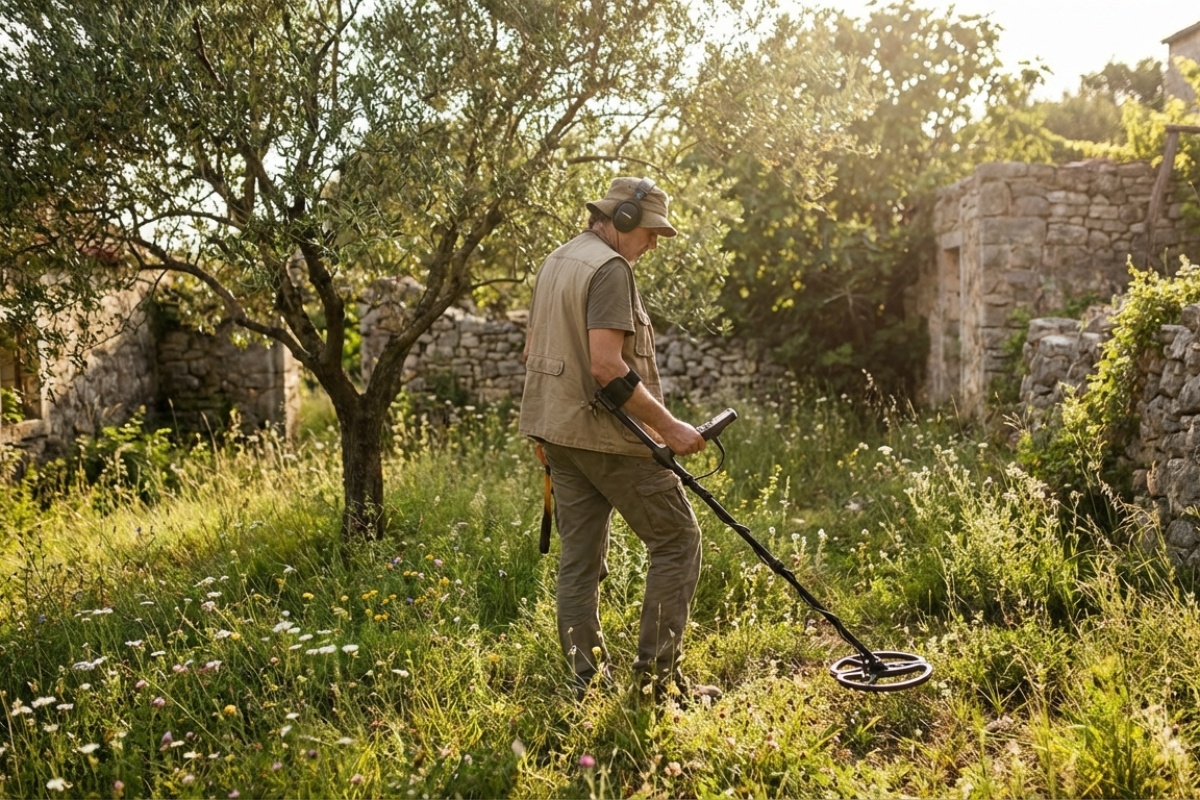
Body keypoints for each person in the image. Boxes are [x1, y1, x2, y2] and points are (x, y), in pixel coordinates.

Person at [519, 176, 721, 704]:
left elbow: (534, 353)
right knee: (677, 541)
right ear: (622, 220)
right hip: (608, 439)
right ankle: (656, 685)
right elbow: (607, 367)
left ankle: (582, 684)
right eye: (650, 232)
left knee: (579, 563)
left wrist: (546, 431)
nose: (653, 243)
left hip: (560, 436)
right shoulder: (610, 270)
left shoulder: (556, 261)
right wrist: (670, 428)